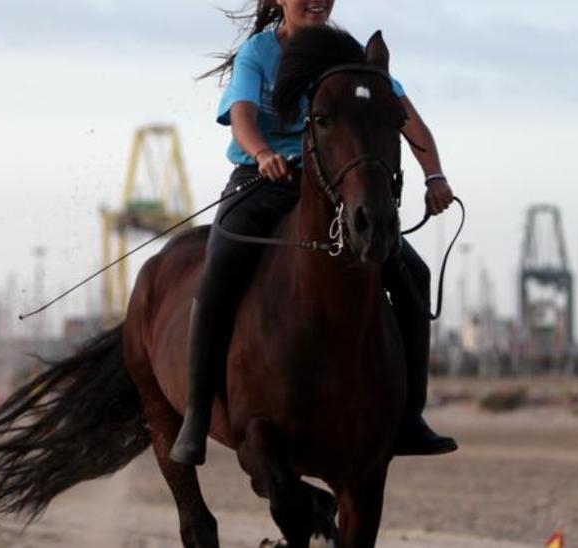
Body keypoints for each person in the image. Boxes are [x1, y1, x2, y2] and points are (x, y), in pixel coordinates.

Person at [169, 0, 458, 465]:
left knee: (414, 275)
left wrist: (435, 176)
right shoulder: (258, 53)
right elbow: (242, 115)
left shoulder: (349, 56)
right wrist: (263, 152)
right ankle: (197, 414)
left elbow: (406, 119)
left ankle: (409, 417)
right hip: (262, 181)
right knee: (217, 273)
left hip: (332, 187)